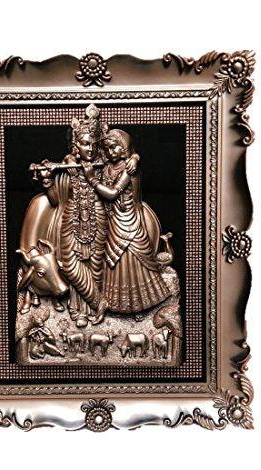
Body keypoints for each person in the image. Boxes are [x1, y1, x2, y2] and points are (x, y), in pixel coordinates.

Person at [83, 129, 171, 313]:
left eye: (115, 147)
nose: (111, 152)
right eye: (107, 148)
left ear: (124, 147)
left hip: (128, 219)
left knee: (130, 258)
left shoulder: (128, 168)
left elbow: (112, 193)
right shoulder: (108, 165)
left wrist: (91, 179)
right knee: (113, 260)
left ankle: (140, 306)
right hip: (112, 220)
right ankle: (116, 304)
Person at [37, 104, 108, 327]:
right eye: (85, 144)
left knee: (95, 266)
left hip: (97, 218)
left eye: (93, 144)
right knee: (69, 264)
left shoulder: (104, 166)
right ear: (76, 145)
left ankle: (85, 311)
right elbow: (55, 200)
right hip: (71, 219)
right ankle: (97, 303)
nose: (90, 149)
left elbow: (114, 192)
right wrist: (47, 180)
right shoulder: (68, 166)